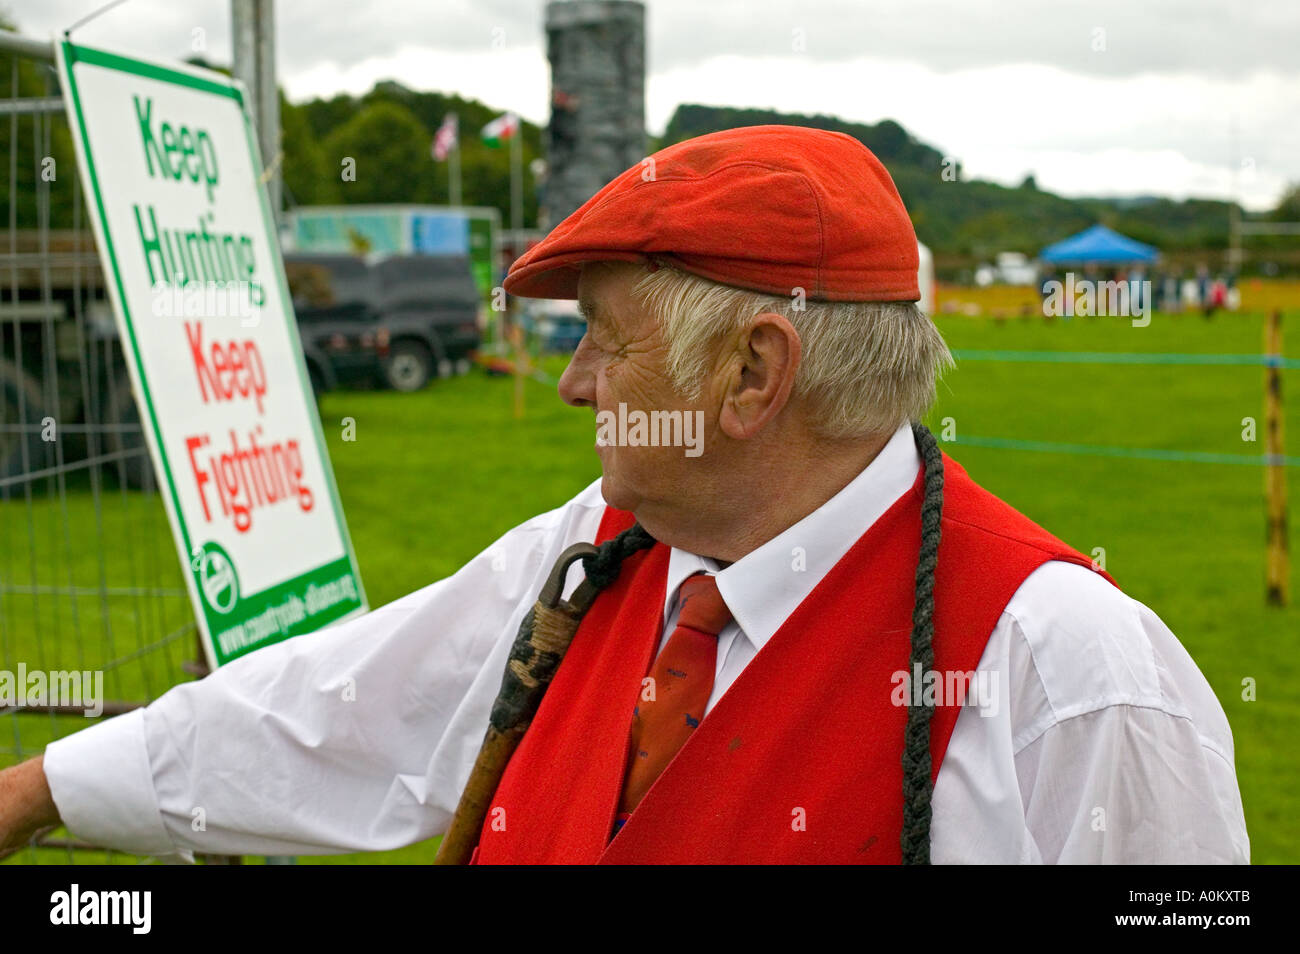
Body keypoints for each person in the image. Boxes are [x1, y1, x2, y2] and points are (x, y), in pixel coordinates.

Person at [0, 126, 1248, 864]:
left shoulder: (1078, 678)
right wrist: (41, 791)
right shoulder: (591, 555)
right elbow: (336, 712)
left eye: (601, 338)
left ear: (754, 371)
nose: (573, 385)